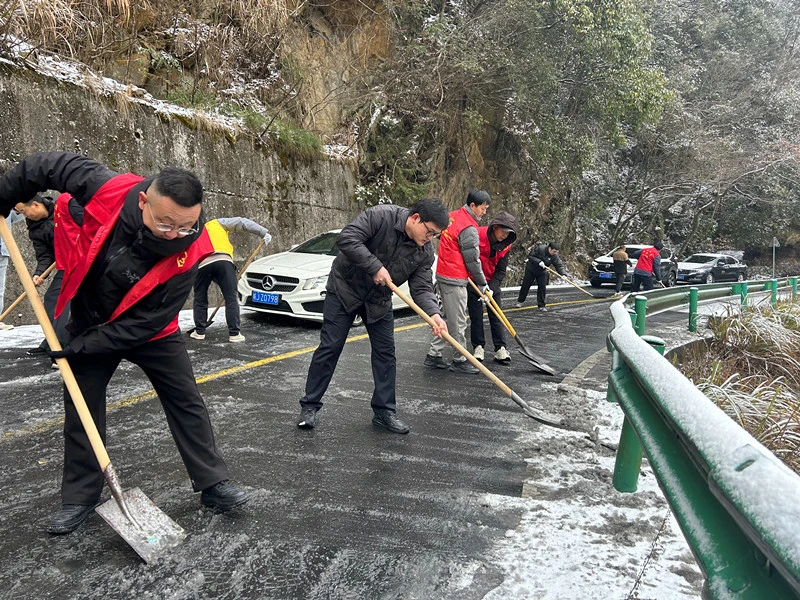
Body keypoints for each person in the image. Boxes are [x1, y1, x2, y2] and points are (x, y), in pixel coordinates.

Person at [0, 151, 248, 535]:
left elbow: (149, 321)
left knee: (186, 399)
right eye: (166, 223)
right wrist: (3, 197)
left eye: (186, 226)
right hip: (91, 316)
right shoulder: (108, 188)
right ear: (144, 200)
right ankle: (80, 497)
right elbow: (44, 166)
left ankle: (214, 483)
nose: (175, 234)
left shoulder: (190, 248)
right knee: (82, 406)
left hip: (151, 331)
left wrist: (82, 346)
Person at [297, 198, 450, 435]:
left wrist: (434, 314)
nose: (430, 238)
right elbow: (347, 238)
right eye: (429, 232)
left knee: (386, 353)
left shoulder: (423, 251)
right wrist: (374, 267)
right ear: (415, 217)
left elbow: (421, 288)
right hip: (345, 290)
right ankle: (309, 406)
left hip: (378, 300)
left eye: (435, 235)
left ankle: (384, 412)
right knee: (330, 346)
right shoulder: (381, 216)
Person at [424, 189, 491, 374]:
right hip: (455, 278)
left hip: (444, 274)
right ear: (472, 206)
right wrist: (482, 282)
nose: (484, 212)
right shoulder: (468, 227)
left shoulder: (451, 217)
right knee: (459, 321)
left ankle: (433, 355)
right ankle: (460, 358)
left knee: (445, 317)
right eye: (483, 208)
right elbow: (473, 259)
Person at [190, 217, 272, 342]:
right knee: (231, 297)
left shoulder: (191, 233)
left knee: (200, 299)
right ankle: (234, 334)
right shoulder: (217, 223)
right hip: (224, 262)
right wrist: (263, 232)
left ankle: (199, 331)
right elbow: (242, 222)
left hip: (202, 265)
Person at [14, 194, 72, 356]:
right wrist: (39, 273)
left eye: (24, 211)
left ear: (35, 205)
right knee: (52, 298)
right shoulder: (34, 227)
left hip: (86, 263)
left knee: (68, 302)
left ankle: (60, 344)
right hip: (65, 267)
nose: (24, 216)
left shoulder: (65, 209)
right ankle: (51, 341)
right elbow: (45, 254)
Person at [468, 211, 517, 363]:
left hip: (491, 283)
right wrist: (479, 284)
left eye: (509, 233)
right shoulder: (476, 235)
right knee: (476, 316)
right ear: (495, 227)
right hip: (473, 281)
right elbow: (468, 258)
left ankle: (500, 348)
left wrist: (491, 288)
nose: (505, 235)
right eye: (503, 231)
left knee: (496, 315)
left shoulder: (506, 246)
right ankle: (478, 346)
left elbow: (501, 270)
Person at [516, 241, 566, 311]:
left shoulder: (554, 256)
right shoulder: (540, 249)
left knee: (542, 287)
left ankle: (541, 305)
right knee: (526, 285)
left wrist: (563, 274)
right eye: (554, 251)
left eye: (556, 252)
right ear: (549, 249)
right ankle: (520, 301)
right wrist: (538, 261)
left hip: (542, 272)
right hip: (531, 269)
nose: (555, 253)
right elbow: (531, 256)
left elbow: (559, 265)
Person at [0, 209, 24, 330]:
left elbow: (13, 217)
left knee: (0, 288)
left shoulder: (5, 200)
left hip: (2, 251)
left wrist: (19, 209)